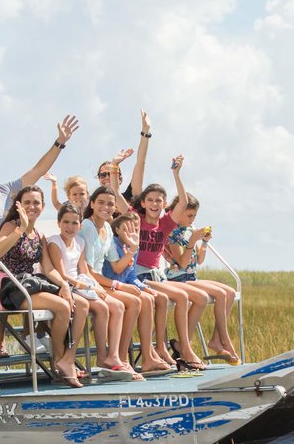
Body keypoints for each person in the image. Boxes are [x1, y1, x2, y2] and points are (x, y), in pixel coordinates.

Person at [0, 186, 86, 388]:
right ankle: (60, 362)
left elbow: (49, 268)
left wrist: (64, 285)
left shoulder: (39, 235)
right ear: (19, 205)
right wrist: (20, 229)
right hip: (9, 286)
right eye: (27, 202)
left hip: (29, 284)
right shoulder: (11, 226)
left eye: (36, 203)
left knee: (78, 303)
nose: (32, 206)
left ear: (43, 207)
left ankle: (65, 360)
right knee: (61, 306)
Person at [127, 148, 211, 371]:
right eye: (150, 200)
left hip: (157, 276)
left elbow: (182, 202)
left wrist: (176, 174)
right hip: (138, 276)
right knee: (179, 297)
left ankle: (181, 348)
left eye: (159, 200)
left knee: (192, 297)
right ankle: (174, 349)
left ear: (164, 204)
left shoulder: (165, 223)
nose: (155, 204)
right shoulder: (136, 218)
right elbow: (124, 195)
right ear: (143, 203)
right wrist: (116, 170)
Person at [80, 189, 175, 376]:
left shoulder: (107, 228)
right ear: (92, 204)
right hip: (87, 281)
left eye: (110, 204)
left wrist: (133, 248)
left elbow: (117, 267)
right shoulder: (87, 227)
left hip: (100, 281)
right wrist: (119, 286)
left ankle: (140, 357)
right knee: (132, 301)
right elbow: (88, 271)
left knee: (144, 298)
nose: (106, 207)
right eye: (101, 202)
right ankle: (117, 357)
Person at [45, 202, 135, 380]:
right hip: (63, 286)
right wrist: (87, 286)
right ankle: (68, 358)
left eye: (74, 223)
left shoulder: (80, 242)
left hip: (80, 284)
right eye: (66, 222)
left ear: (80, 225)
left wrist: (97, 286)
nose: (70, 227)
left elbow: (84, 270)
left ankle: (103, 357)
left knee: (106, 307)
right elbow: (62, 274)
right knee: (85, 305)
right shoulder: (55, 242)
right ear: (59, 223)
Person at [165, 191, 240, 363]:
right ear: (179, 212)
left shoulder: (190, 230)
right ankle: (224, 341)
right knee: (219, 294)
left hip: (192, 278)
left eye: (195, 216)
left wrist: (204, 242)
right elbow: (182, 263)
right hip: (178, 279)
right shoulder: (173, 233)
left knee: (229, 292)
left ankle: (215, 340)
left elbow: (199, 260)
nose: (192, 219)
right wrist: (192, 241)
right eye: (189, 215)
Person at [103, 213, 177, 375]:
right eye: (126, 229)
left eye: (135, 229)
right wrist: (132, 248)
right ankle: (123, 357)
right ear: (117, 230)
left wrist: (144, 287)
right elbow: (114, 273)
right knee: (139, 300)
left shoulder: (133, 246)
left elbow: (131, 277)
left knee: (149, 297)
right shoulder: (114, 245)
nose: (131, 232)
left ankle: (148, 356)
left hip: (124, 286)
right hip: (110, 286)